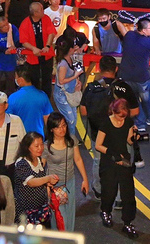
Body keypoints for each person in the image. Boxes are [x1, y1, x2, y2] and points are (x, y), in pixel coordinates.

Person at [79, 56, 138, 197]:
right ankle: (118, 197)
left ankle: (99, 191)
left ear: (99, 68)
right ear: (116, 69)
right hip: (121, 134)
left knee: (98, 161)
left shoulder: (92, 87)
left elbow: (83, 111)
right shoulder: (124, 87)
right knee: (122, 162)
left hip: (97, 133)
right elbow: (135, 111)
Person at [95, 98, 138, 238]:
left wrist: (135, 136)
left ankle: (128, 222)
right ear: (113, 111)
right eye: (119, 117)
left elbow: (129, 140)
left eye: (124, 117)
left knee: (128, 193)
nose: (121, 121)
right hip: (109, 161)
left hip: (123, 159)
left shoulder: (128, 122)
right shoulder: (106, 124)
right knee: (109, 190)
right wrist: (113, 154)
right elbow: (98, 145)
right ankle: (106, 211)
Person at [44, 112, 89, 231]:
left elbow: (78, 159)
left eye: (64, 125)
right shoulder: (46, 146)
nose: (62, 129)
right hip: (56, 186)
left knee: (69, 214)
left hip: (70, 182)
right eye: (58, 127)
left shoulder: (71, 140)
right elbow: (41, 166)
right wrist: (46, 185)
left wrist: (85, 180)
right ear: (52, 129)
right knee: (60, 216)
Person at [119, 18, 150, 134]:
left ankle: (140, 123)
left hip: (126, 75)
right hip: (141, 77)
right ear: (143, 30)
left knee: (133, 100)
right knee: (147, 98)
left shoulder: (128, 35)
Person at [13, 131, 57, 227]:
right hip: (27, 212)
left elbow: (40, 179)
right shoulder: (22, 163)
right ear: (27, 147)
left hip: (41, 209)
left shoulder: (38, 159)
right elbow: (31, 182)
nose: (40, 148)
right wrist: (48, 178)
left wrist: (47, 185)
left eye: (42, 144)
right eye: (36, 146)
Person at [19, 2, 57, 97]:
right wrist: (33, 49)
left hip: (46, 54)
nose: (43, 11)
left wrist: (47, 46)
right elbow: (24, 41)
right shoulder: (25, 23)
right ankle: (35, 99)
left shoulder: (46, 18)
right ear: (35, 13)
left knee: (47, 78)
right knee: (34, 78)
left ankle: (46, 98)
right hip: (33, 56)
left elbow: (51, 33)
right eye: (41, 10)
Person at [7, 65, 53, 137]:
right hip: (38, 138)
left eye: (16, 77)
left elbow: (8, 119)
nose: (15, 79)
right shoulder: (42, 96)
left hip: (20, 137)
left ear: (21, 80)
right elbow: (48, 119)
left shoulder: (13, 98)